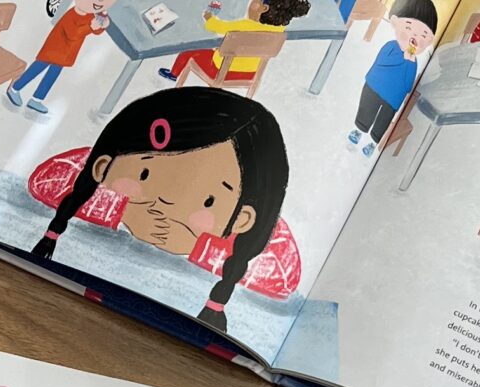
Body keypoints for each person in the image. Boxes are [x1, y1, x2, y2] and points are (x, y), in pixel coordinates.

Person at [29, 91, 289, 332]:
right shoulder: (80, 215)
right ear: (102, 168)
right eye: (145, 173)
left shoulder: (233, 271)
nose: (165, 199)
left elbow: (281, 276)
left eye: (208, 200)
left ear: (243, 220)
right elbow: (46, 182)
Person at [6, 0, 125, 109]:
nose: (100, 1)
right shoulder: (71, 15)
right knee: (35, 70)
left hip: (66, 54)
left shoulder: (89, 15)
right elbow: (73, 34)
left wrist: (102, 25)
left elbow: (95, 29)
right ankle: (15, 88)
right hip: (53, 50)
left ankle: (36, 99)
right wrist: (91, 27)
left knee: (51, 77)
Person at [349, 0, 439, 156]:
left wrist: (409, 63)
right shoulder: (391, 46)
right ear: (395, 23)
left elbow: (407, 85)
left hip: (392, 99)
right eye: (409, 28)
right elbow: (381, 63)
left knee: (382, 122)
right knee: (366, 109)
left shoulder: (414, 63)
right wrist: (402, 58)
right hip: (374, 87)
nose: (414, 37)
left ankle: (372, 142)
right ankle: (358, 130)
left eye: (422, 35)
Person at [162, 0, 309, 84]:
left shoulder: (244, 26)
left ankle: (174, 74)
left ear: (263, 8)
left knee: (189, 50)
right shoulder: (279, 31)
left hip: (220, 71)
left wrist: (208, 17)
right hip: (251, 72)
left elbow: (216, 26)